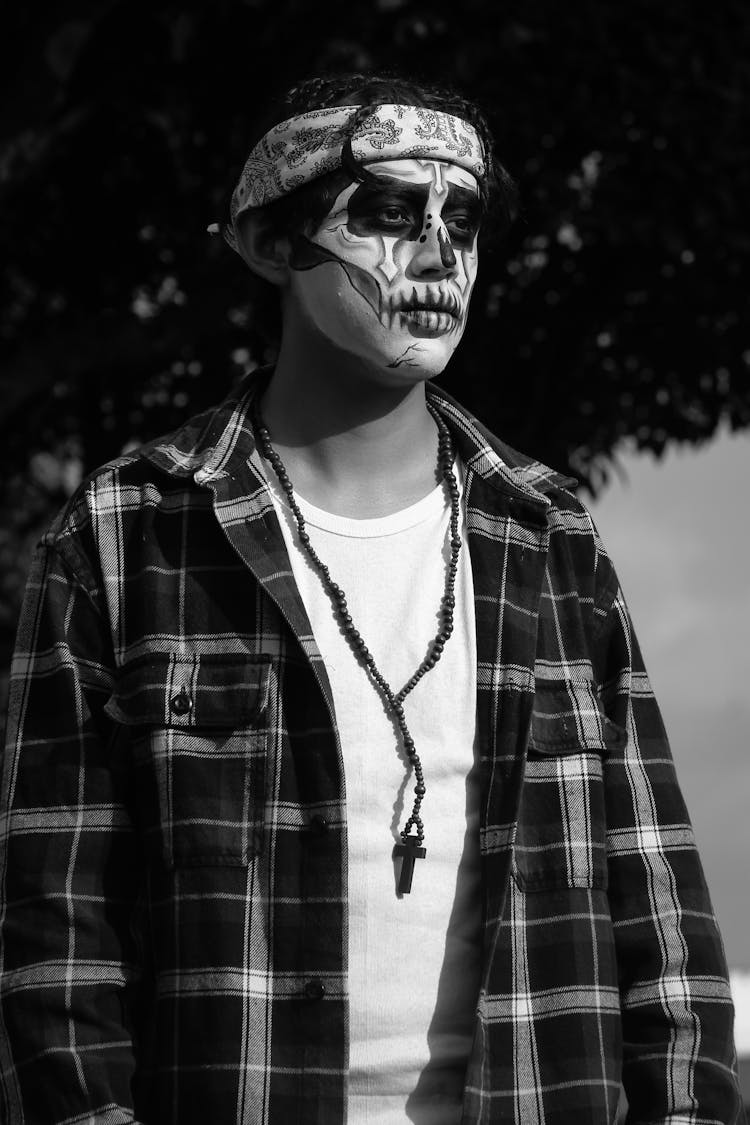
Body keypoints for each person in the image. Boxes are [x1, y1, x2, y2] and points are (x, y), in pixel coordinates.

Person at [0, 72, 744, 1125]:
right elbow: (47, 935)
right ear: (269, 244)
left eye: (465, 219)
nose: (440, 254)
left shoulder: (548, 535)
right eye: (391, 213)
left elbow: (659, 907)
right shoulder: (124, 536)